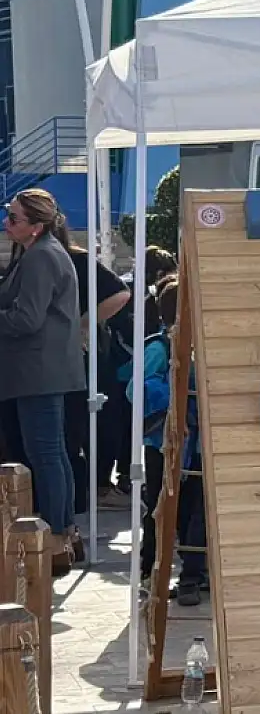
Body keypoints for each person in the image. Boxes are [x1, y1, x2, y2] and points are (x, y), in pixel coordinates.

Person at [0, 189, 86, 574]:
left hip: (37, 372)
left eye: (14, 217)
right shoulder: (44, 253)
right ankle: (64, 534)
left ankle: (56, 539)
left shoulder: (40, 258)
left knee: (47, 456)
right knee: (53, 454)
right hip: (42, 370)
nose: (7, 222)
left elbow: (26, 319)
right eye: (7, 214)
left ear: (35, 226)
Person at [130, 279, 209, 606]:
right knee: (161, 511)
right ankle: (151, 573)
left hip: (197, 447)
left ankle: (192, 575)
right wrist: (177, 400)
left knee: (194, 511)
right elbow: (137, 390)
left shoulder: (200, 348)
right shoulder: (158, 349)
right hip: (163, 444)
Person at [65, 238, 131, 515]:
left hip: (87, 358)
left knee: (96, 420)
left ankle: (99, 486)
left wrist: (82, 325)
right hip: (70, 360)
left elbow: (119, 293)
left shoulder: (75, 260)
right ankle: (93, 487)